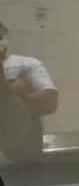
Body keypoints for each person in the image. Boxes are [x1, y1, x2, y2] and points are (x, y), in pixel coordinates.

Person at [0, 20, 58, 162]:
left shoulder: (29, 63)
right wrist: (15, 89)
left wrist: (7, 97)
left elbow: (49, 102)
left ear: (7, 34)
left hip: (28, 153)